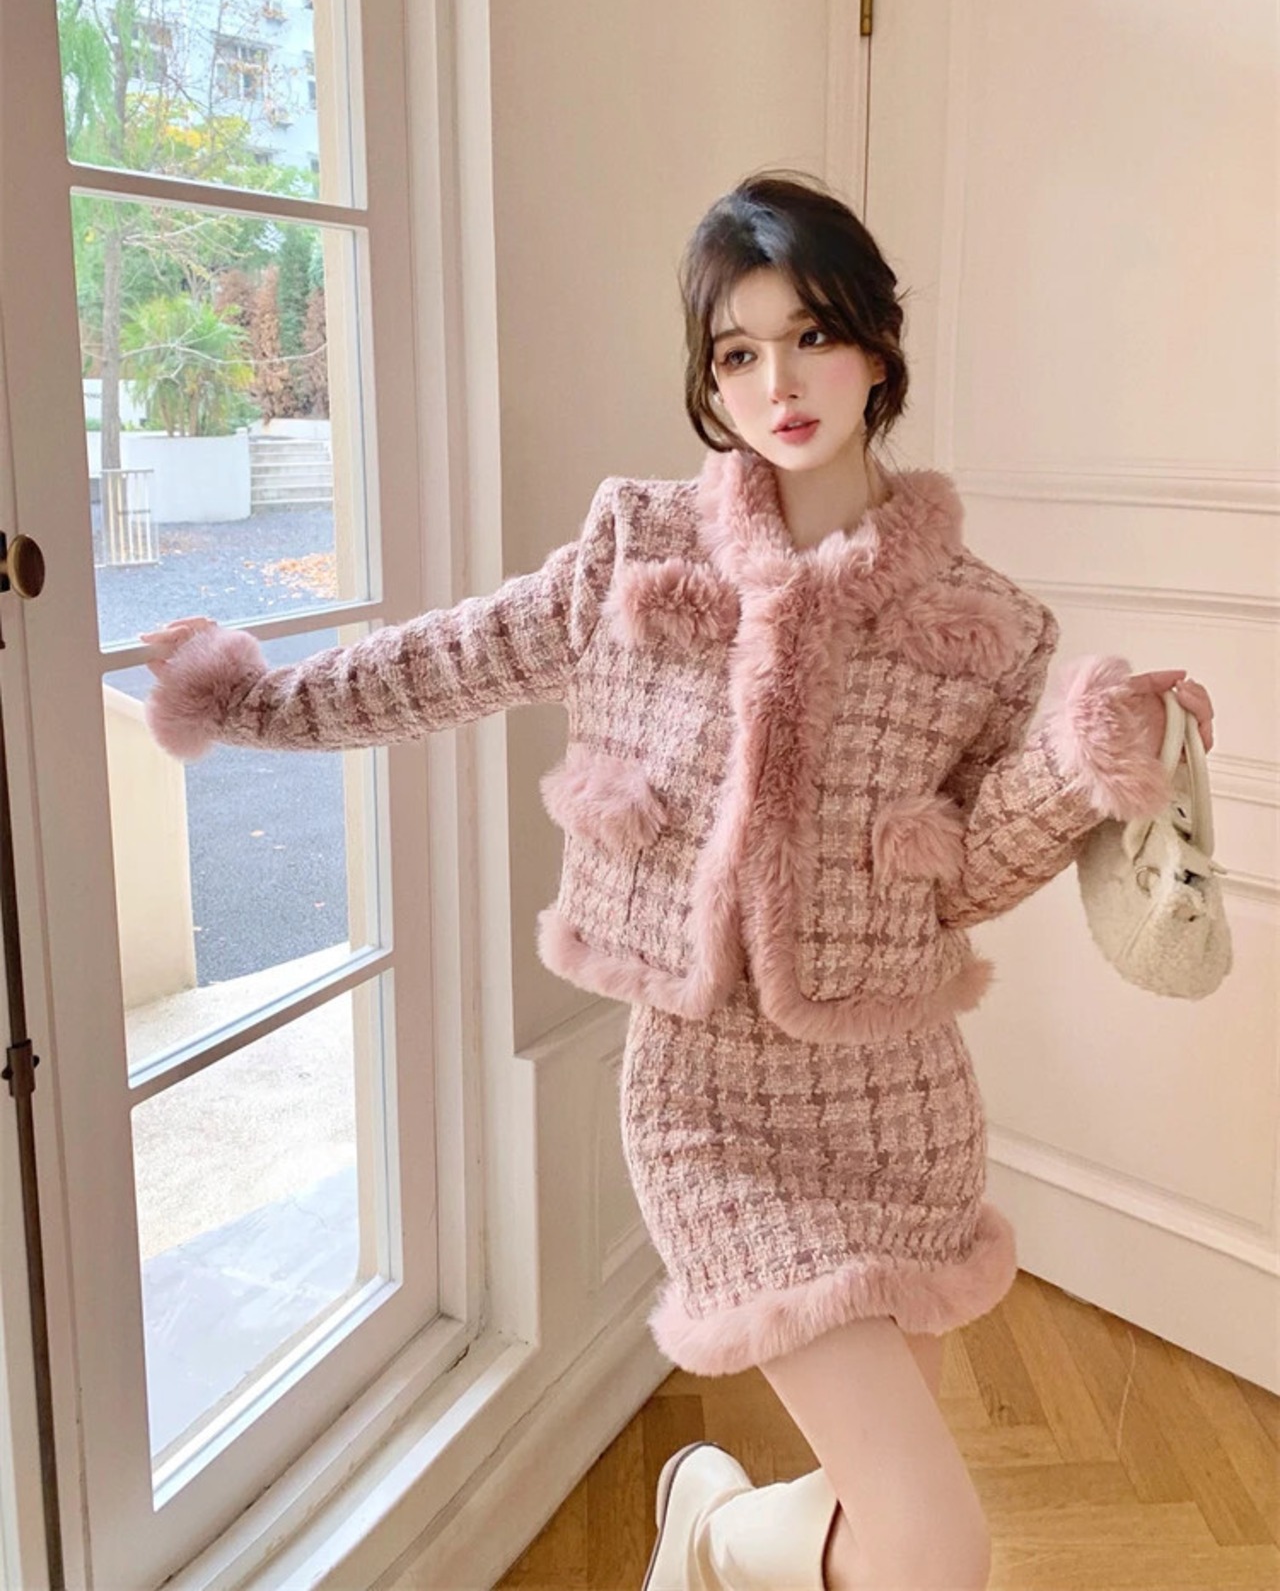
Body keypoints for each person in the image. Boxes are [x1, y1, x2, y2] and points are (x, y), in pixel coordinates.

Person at [142, 170, 1215, 1591]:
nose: (780, 384)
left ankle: (705, 1520)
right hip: (707, 1099)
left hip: (899, 1098)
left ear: (878, 345)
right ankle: (708, 1523)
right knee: (936, 1549)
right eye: (738, 352)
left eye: (813, 335)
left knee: (868, 1508)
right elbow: (453, 658)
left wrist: (1091, 755)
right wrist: (251, 698)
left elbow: (965, 876)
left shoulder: (989, 624)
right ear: (709, 378)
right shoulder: (637, 551)